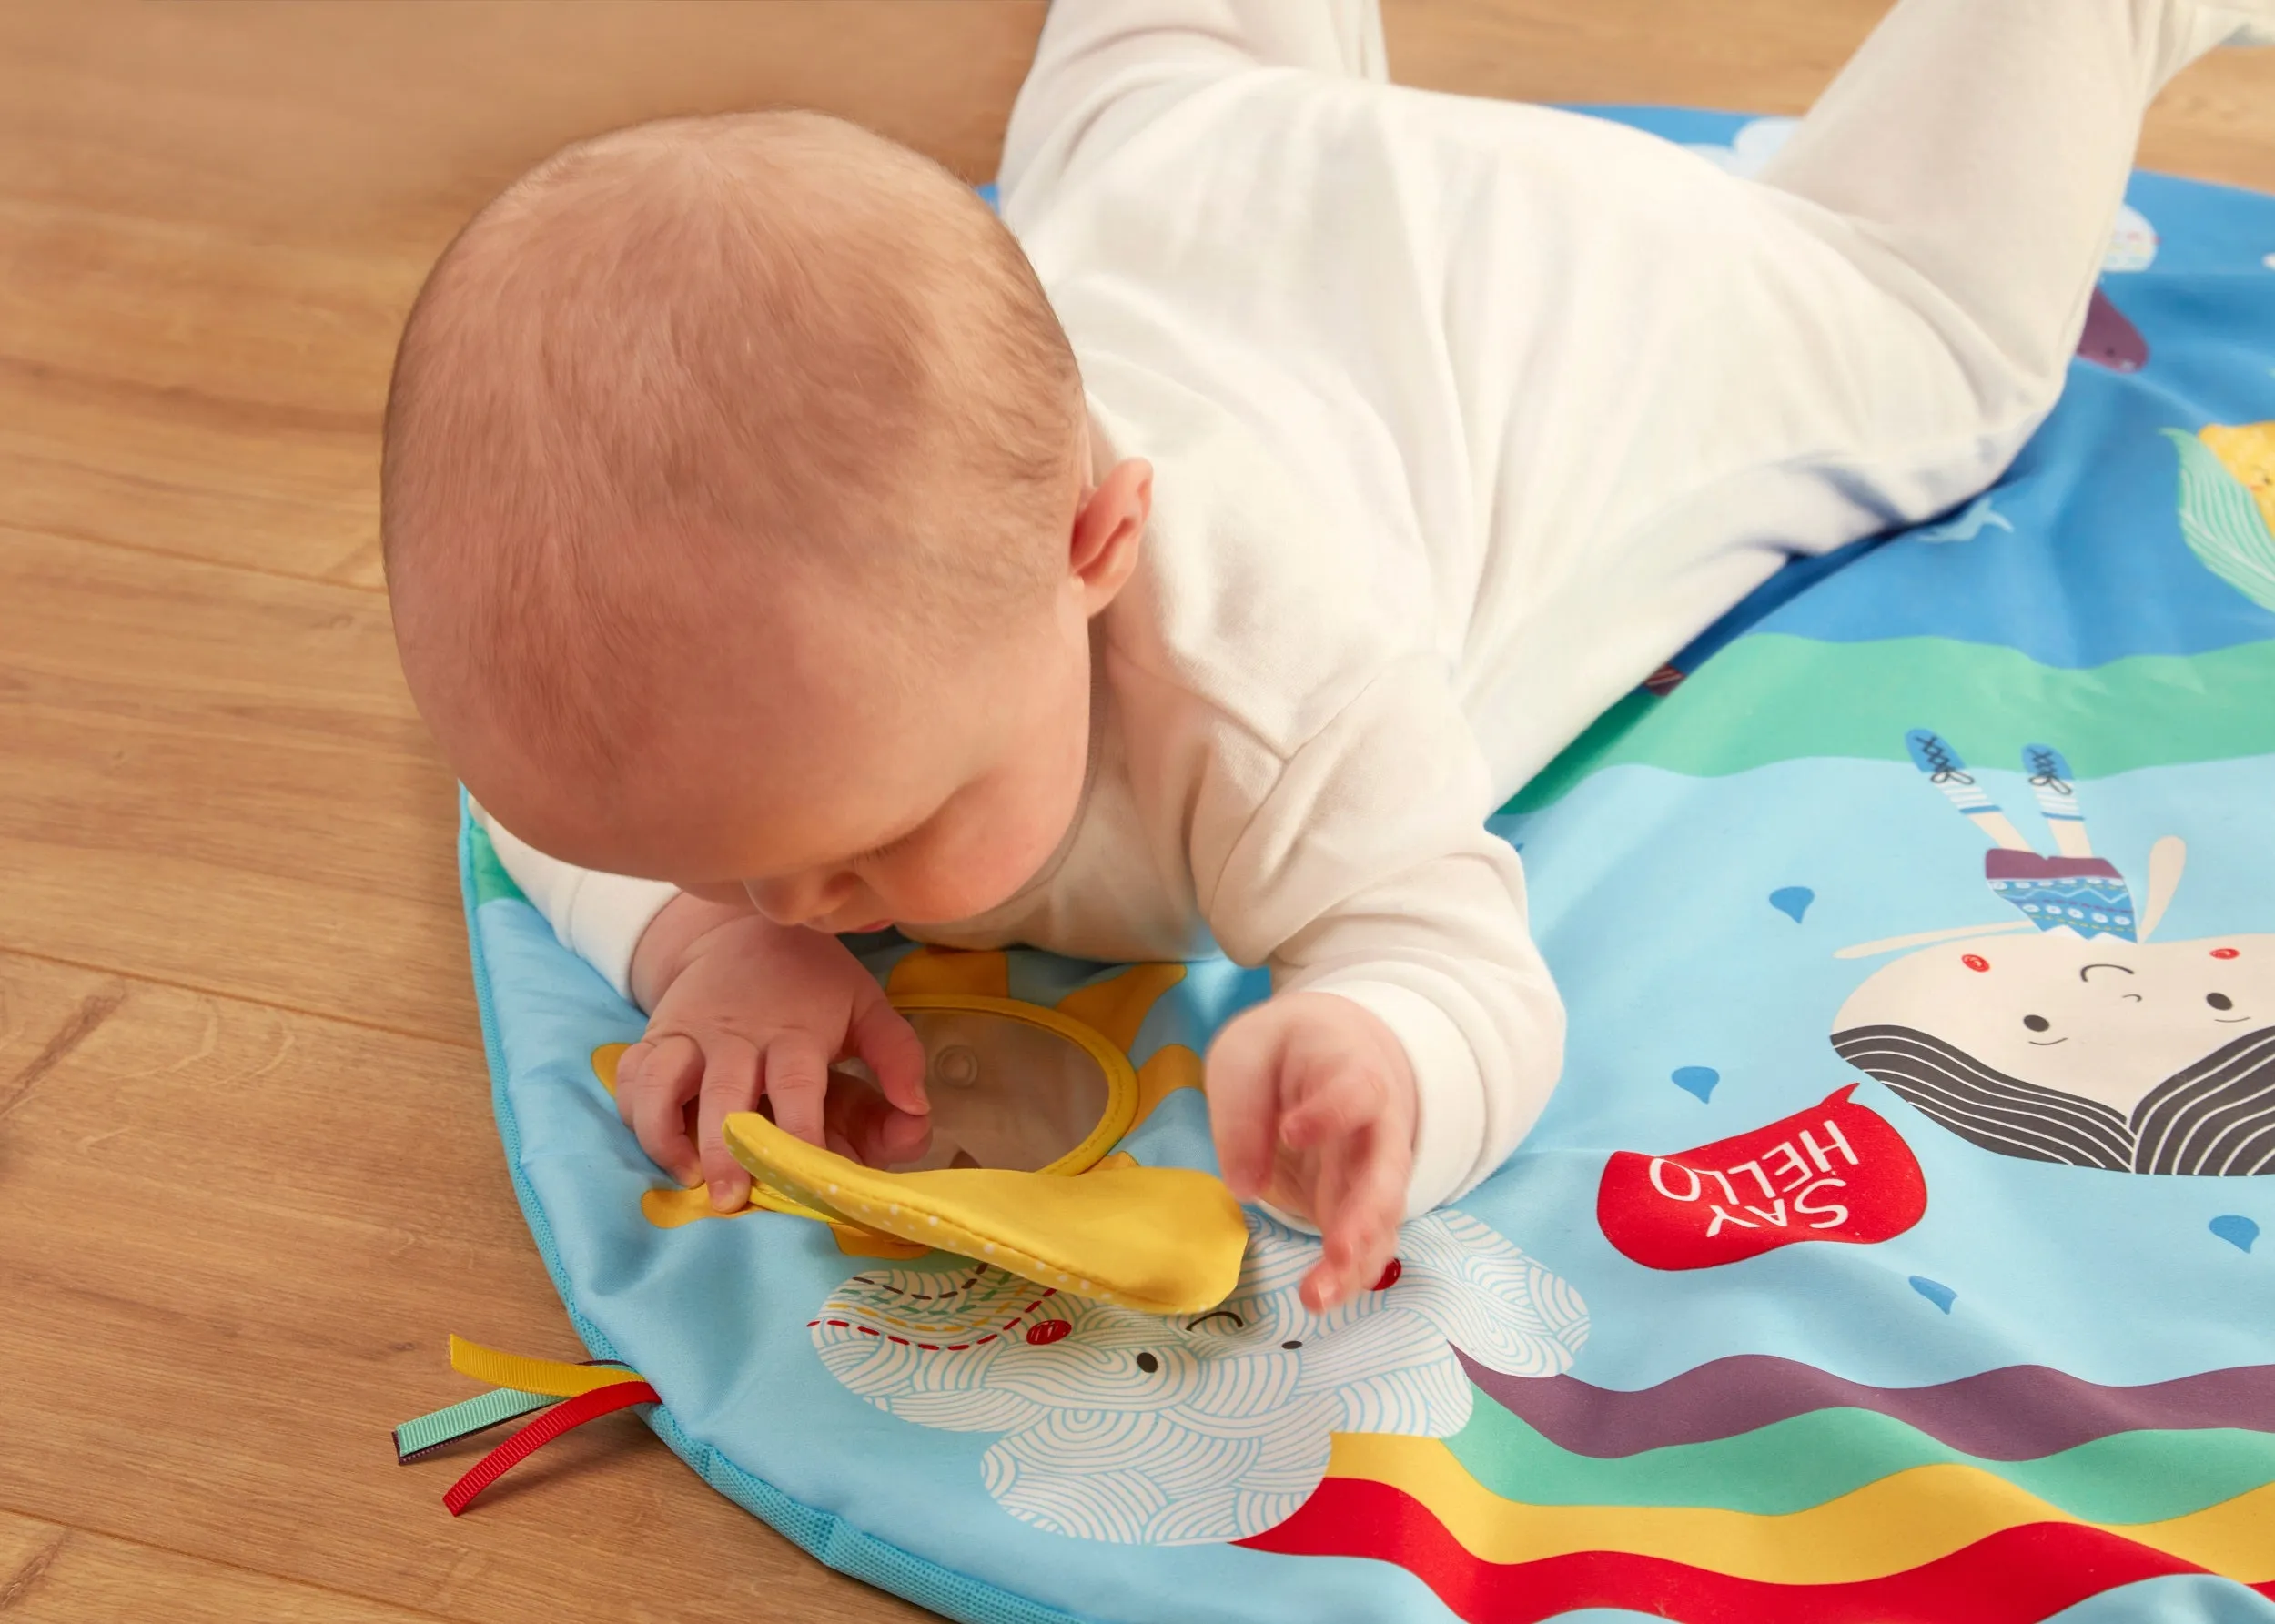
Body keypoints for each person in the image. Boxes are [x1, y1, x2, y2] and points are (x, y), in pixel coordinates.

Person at [381, 0, 2271, 1311]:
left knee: (1923, 320)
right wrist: (706, 940)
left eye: (870, 844)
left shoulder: (1265, 689)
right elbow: (550, 792)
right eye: (718, 855)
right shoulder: (755, 678)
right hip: (1190, 159)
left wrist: (1383, 1049)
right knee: (1137, 79)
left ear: (1096, 555)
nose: (806, 898)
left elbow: (1459, 962)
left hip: (1593, 289)